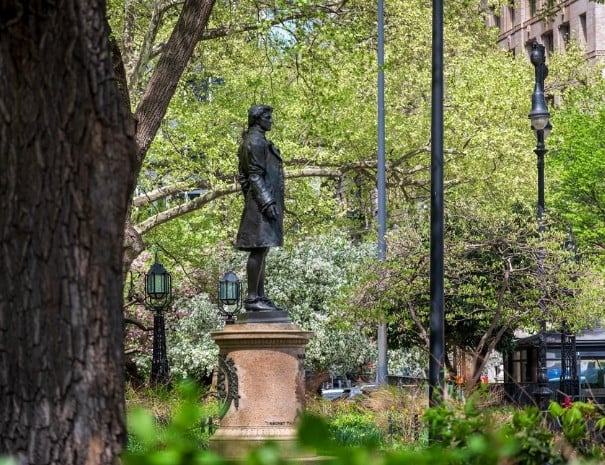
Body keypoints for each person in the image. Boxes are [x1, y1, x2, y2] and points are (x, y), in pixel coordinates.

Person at [235, 104, 284, 311]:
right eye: (267, 116)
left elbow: (245, 177)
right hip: (261, 204)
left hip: (259, 202)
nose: (271, 120)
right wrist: (267, 202)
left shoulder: (258, 140)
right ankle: (253, 298)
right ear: (257, 119)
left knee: (262, 249)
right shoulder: (254, 141)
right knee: (258, 249)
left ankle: (259, 296)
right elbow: (253, 175)